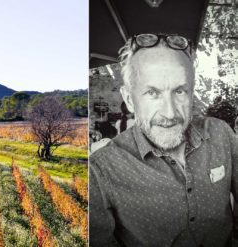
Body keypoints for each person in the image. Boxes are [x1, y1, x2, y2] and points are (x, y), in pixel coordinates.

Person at [89, 33, 238, 247]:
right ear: (130, 99)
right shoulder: (101, 170)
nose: (169, 113)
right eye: (152, 93)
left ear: (191, 92)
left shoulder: (221, 134)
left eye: (179, 91)